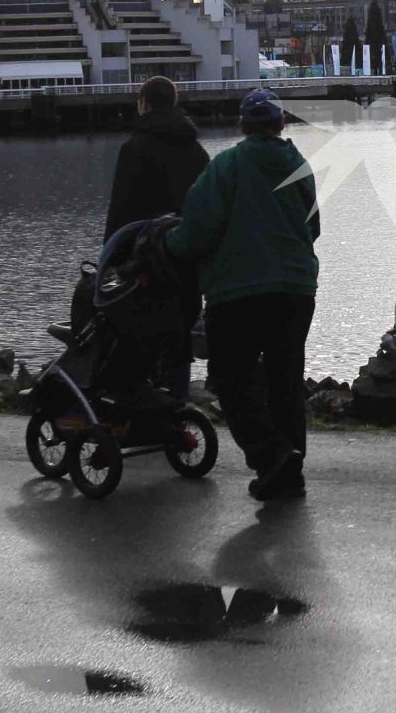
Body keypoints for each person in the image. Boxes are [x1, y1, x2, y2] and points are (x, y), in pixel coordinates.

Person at [166, 89, 319, 500]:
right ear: (281, 124)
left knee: (231, 380)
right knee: (285, 380)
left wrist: (170, 244)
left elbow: (195, 232)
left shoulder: (226, 166)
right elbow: (313, 228)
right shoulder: (299, 166)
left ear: (242, 126)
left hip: (238, 292)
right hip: (295, 289)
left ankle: (270, 455)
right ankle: (290, 474)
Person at [104, 75, 210, 398]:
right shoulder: (197, 152)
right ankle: (176, 407)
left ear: (145, 104)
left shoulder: (134, 149)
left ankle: (141, 406)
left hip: (145, 263)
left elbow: (120, 211)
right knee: (180, 337)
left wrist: (110, 262)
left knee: (140, 333)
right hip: (186, 262)